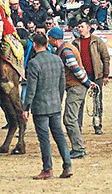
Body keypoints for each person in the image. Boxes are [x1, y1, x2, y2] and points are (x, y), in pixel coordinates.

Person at [22, 32, 73, 180]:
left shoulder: (33, 63)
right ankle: (67, 165)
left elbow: (31, 89)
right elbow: (62, 83)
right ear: (46, 44)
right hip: (55, 104)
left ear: (35, 45)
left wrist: (26, 108)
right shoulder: (57, 60)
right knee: (59, 136)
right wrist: (59, 99)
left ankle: (47, 169)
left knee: (44, 138)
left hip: (40, 107)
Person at [46, 26, 95, 159]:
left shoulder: (65, 51)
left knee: (69, 119)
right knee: (71, 118)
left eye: (49, 37)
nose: (48, 39)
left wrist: (87, 83)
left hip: (76, 87)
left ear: (54, 39)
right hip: (75, 86)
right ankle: (77, 148)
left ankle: (78, 149)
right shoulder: (66, 48)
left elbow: (76, 69)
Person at [72, 20, 110, 134]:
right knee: (79, 101)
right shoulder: (75, 43)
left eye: (82, 26)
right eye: (78, 27)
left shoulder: (97, 41)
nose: (80, 29)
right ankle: (78, 127)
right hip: (81, 76)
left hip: (96, 74)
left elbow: (105, 58)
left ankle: (97, 126)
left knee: (97, 101)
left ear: (88, 28)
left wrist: (106, 75)